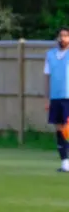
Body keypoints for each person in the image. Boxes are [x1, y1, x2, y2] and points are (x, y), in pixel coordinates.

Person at [44, 27, 69, 172]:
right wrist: (47, 97)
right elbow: (47, 76)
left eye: (66, 36)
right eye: (61, 36)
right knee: (60, 130)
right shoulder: (50, 55)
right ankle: (65, 163)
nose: (63, 39)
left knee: (67, 129)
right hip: (55, 97)